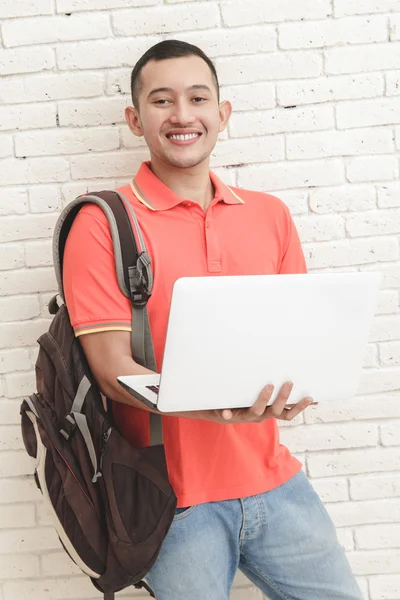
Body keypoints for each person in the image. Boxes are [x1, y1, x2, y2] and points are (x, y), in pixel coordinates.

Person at [63, 40, 363, 600]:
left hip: (277, 482)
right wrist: (206, 405)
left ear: (221, 114)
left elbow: (294, 339)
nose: (182, 114)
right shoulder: (104, 222)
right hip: (174, 503)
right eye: (161, 100)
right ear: (135, 119)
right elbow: (110, 369)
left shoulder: (270, 215)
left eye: (198, 97)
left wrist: (304, 383)